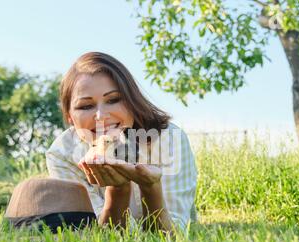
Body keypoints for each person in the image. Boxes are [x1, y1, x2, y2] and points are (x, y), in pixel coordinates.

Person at [45, 52, 197, 232]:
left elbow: (174, 234)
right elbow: (101, 237)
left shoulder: (169, 139)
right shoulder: (63, 154)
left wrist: (151, 187)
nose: (101, 116)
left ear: (132, 101)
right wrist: (118, 189)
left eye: (113, 100)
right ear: (70, 116)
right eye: (86, 106)